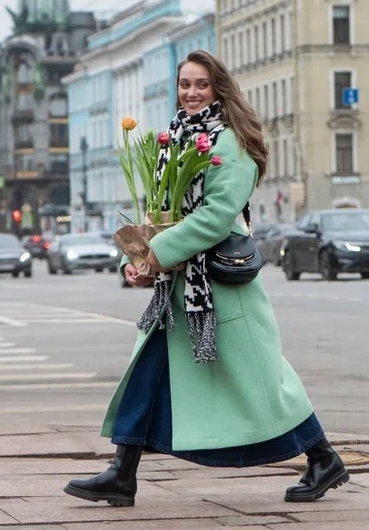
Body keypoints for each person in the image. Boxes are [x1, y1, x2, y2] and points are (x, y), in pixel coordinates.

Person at [65, 50, 348, 507]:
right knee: (148, 371)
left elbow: (216, 218)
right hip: (181, 285)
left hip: (218, 285)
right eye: (184, 84)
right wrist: (138, 260)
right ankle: (123, 471)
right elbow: (163, 212)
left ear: (218, 88)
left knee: (261, 380)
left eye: (201, 84)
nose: (191, 93)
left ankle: (323, 457)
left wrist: (157, 254)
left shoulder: (230, 144)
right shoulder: (176, 139)